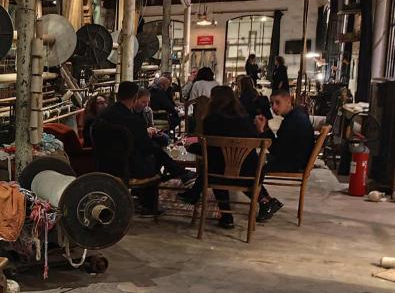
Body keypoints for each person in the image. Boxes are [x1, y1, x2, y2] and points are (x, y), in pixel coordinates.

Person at [179, 86, 275, 228]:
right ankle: (264, 201)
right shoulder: (245, 118)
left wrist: (191, 147)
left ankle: (226, 216)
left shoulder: (211, 120)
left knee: (214, 166)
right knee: (220, 165)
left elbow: (210, 150)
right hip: (249, 175)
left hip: (218, 175)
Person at [99, 81, 194, 216]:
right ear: (134, 98)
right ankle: (149, 204)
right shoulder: (132, 120)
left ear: (117, 95)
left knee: (154, 151)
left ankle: (178, 172)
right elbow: (146, 147)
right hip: (127, 167)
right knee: (154, 155)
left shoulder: (104, 115)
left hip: (105, 162)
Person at [256, 89, 315, 176]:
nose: (274, 107)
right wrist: (265, 128)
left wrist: (261, 131)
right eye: (271, 104)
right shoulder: (294, 116)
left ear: (288, 101)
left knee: (254, 168)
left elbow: (276, 151)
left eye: (277, 102)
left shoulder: (293, 121)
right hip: (296, 162)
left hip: (293, 165)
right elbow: (278, 145)